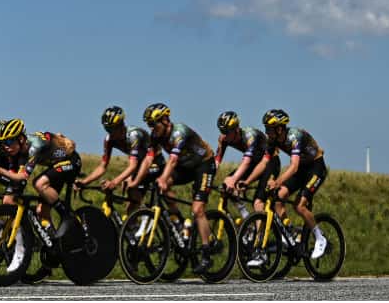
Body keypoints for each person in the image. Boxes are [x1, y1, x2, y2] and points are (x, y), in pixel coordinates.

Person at [0, 119, 81, 272]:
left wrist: (0, 171)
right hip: (56, 166)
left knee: (39, 183)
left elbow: (22, 178)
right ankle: (54, 248)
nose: (6, 147)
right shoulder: (18, 151)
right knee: (41, 212)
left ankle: (67, 215)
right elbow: (14, 178)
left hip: (71, 161)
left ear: (21, 139)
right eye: (3, 143)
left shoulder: (34, 146)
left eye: (9, 141)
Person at [130, 102, 217, 274]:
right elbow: (148, 160)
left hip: (204, 165)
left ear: (165, 120)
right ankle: (178, 221)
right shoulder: (155, 136)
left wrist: (163, 178)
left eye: (154, 124)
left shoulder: (179, 132)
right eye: (149, 125)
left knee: (198, 209)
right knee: (160, 185)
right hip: (186, 166)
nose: (152, 128)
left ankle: (207, 254)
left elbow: (173, 161)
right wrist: (136, 181)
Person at [246, 109, 329, 262]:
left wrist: (278, 181)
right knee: (278, 197)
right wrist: (247, 181)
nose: (267, 132)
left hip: (316, 168)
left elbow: (294, 166)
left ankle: (320, 237)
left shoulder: (294, 137)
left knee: (299, 205)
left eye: (269, 129)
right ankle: (290, 232)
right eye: (266, 129)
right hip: (302, 169)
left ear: (279, 129)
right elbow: (264, 162)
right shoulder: (273, 141)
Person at [76, 105, 163, 218]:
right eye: (107, 129)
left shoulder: (133, 135)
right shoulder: (109, 140)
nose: (110, 132)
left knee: (132, 186)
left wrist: (114, 182)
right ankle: (133, 230)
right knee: (131, 205)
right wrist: (84, 182)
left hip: (154, 161)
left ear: (121, 125)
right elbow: (103, 166)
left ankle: (160, 218)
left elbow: (132, 166)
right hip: (140, 163)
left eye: (112, 129)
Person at [215, 111, 272, 214]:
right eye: (221, 131)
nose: (224, 135)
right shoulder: (223, 139)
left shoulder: (250, 136)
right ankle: (247, 221)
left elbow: (246, 162)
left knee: (257, 203)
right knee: (226, 188)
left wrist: (234, 179)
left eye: (227, 132)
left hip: (269, 163)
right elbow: (217, 161)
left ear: (236, 129)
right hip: (254, 162)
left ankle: (260, 229)